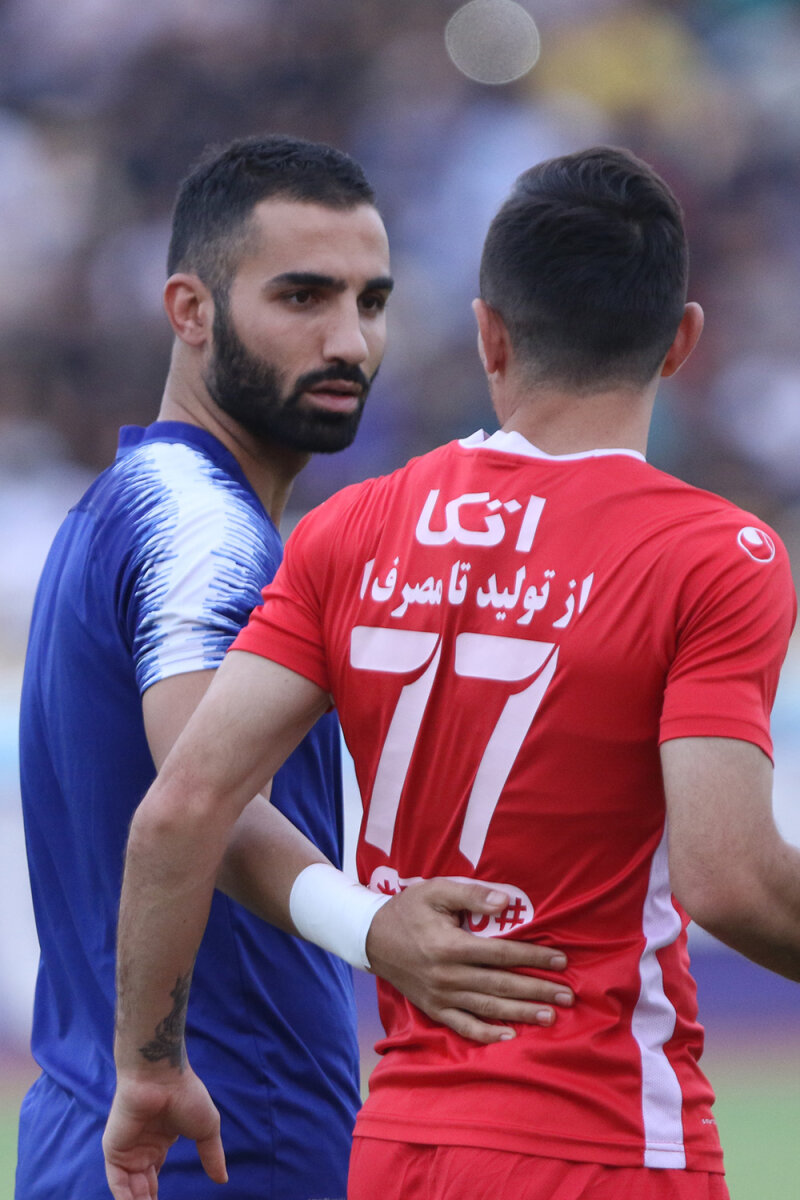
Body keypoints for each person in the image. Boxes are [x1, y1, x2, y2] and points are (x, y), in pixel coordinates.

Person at [103, 145, 800, 1200]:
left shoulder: (351, 530)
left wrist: (149, 1067)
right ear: (681, 343)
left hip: (398, 1147)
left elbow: (178, 811)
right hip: (606, 1137)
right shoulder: (711, 555)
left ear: (488, 335)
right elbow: (729, 879)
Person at [16, 133, 573, 1200]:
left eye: (372, 301)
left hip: (101, 1136)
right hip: (224, 1142)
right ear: (190, 311)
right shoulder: (200, 530)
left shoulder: (128, 506)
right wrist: (373, 928)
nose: (350, 340)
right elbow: (203, 794)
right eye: (303, 297)